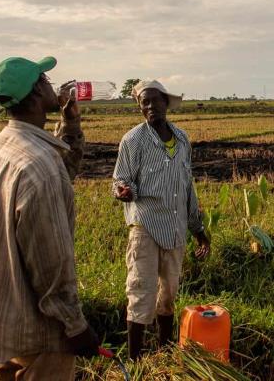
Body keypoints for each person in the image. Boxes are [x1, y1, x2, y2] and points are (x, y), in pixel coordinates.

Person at [0, 56, 100, 380]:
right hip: (42, 330)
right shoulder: (39, 165)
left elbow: (61, 171)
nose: (53, 84)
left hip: (11, 317)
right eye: (45, 79)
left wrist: (70, 124)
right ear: (34, 95)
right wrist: (75, 325)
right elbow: (51, 261)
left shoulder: (3, 143)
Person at [112, 80, 210, 359]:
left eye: (155, 100)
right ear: (140, 107)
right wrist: (123, 191)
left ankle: (164, 355)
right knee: (140, 294)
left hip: (176, 228)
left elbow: (186, 186)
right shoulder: (133, 140)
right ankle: (136, 361)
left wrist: (198, 229)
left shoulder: (181, 139)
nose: (151, 106)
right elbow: (120, 179)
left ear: (166, 103)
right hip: (145, 225)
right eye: (145, 102)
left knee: (168, 296)